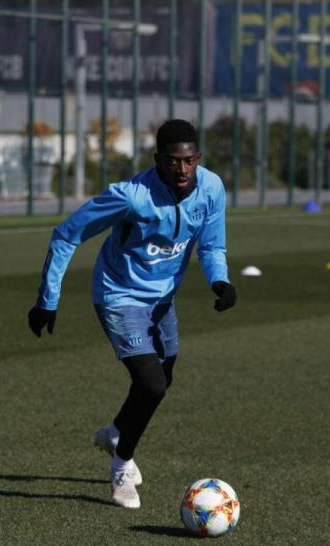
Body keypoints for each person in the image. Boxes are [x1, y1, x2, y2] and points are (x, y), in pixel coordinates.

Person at [27, 119, 236, 509]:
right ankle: (122, 465)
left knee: (163, 378)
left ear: (199, 159)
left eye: (189, 161)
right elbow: (67, 234)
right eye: (173, 161)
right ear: (158, 159)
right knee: (152, 384)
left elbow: (211, 246)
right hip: (118, 295)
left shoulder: (211, 188)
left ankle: (117, 432)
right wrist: (47, 300)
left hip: (162, 300)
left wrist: (220, 282)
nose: (182, 169)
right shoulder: (129, 195)